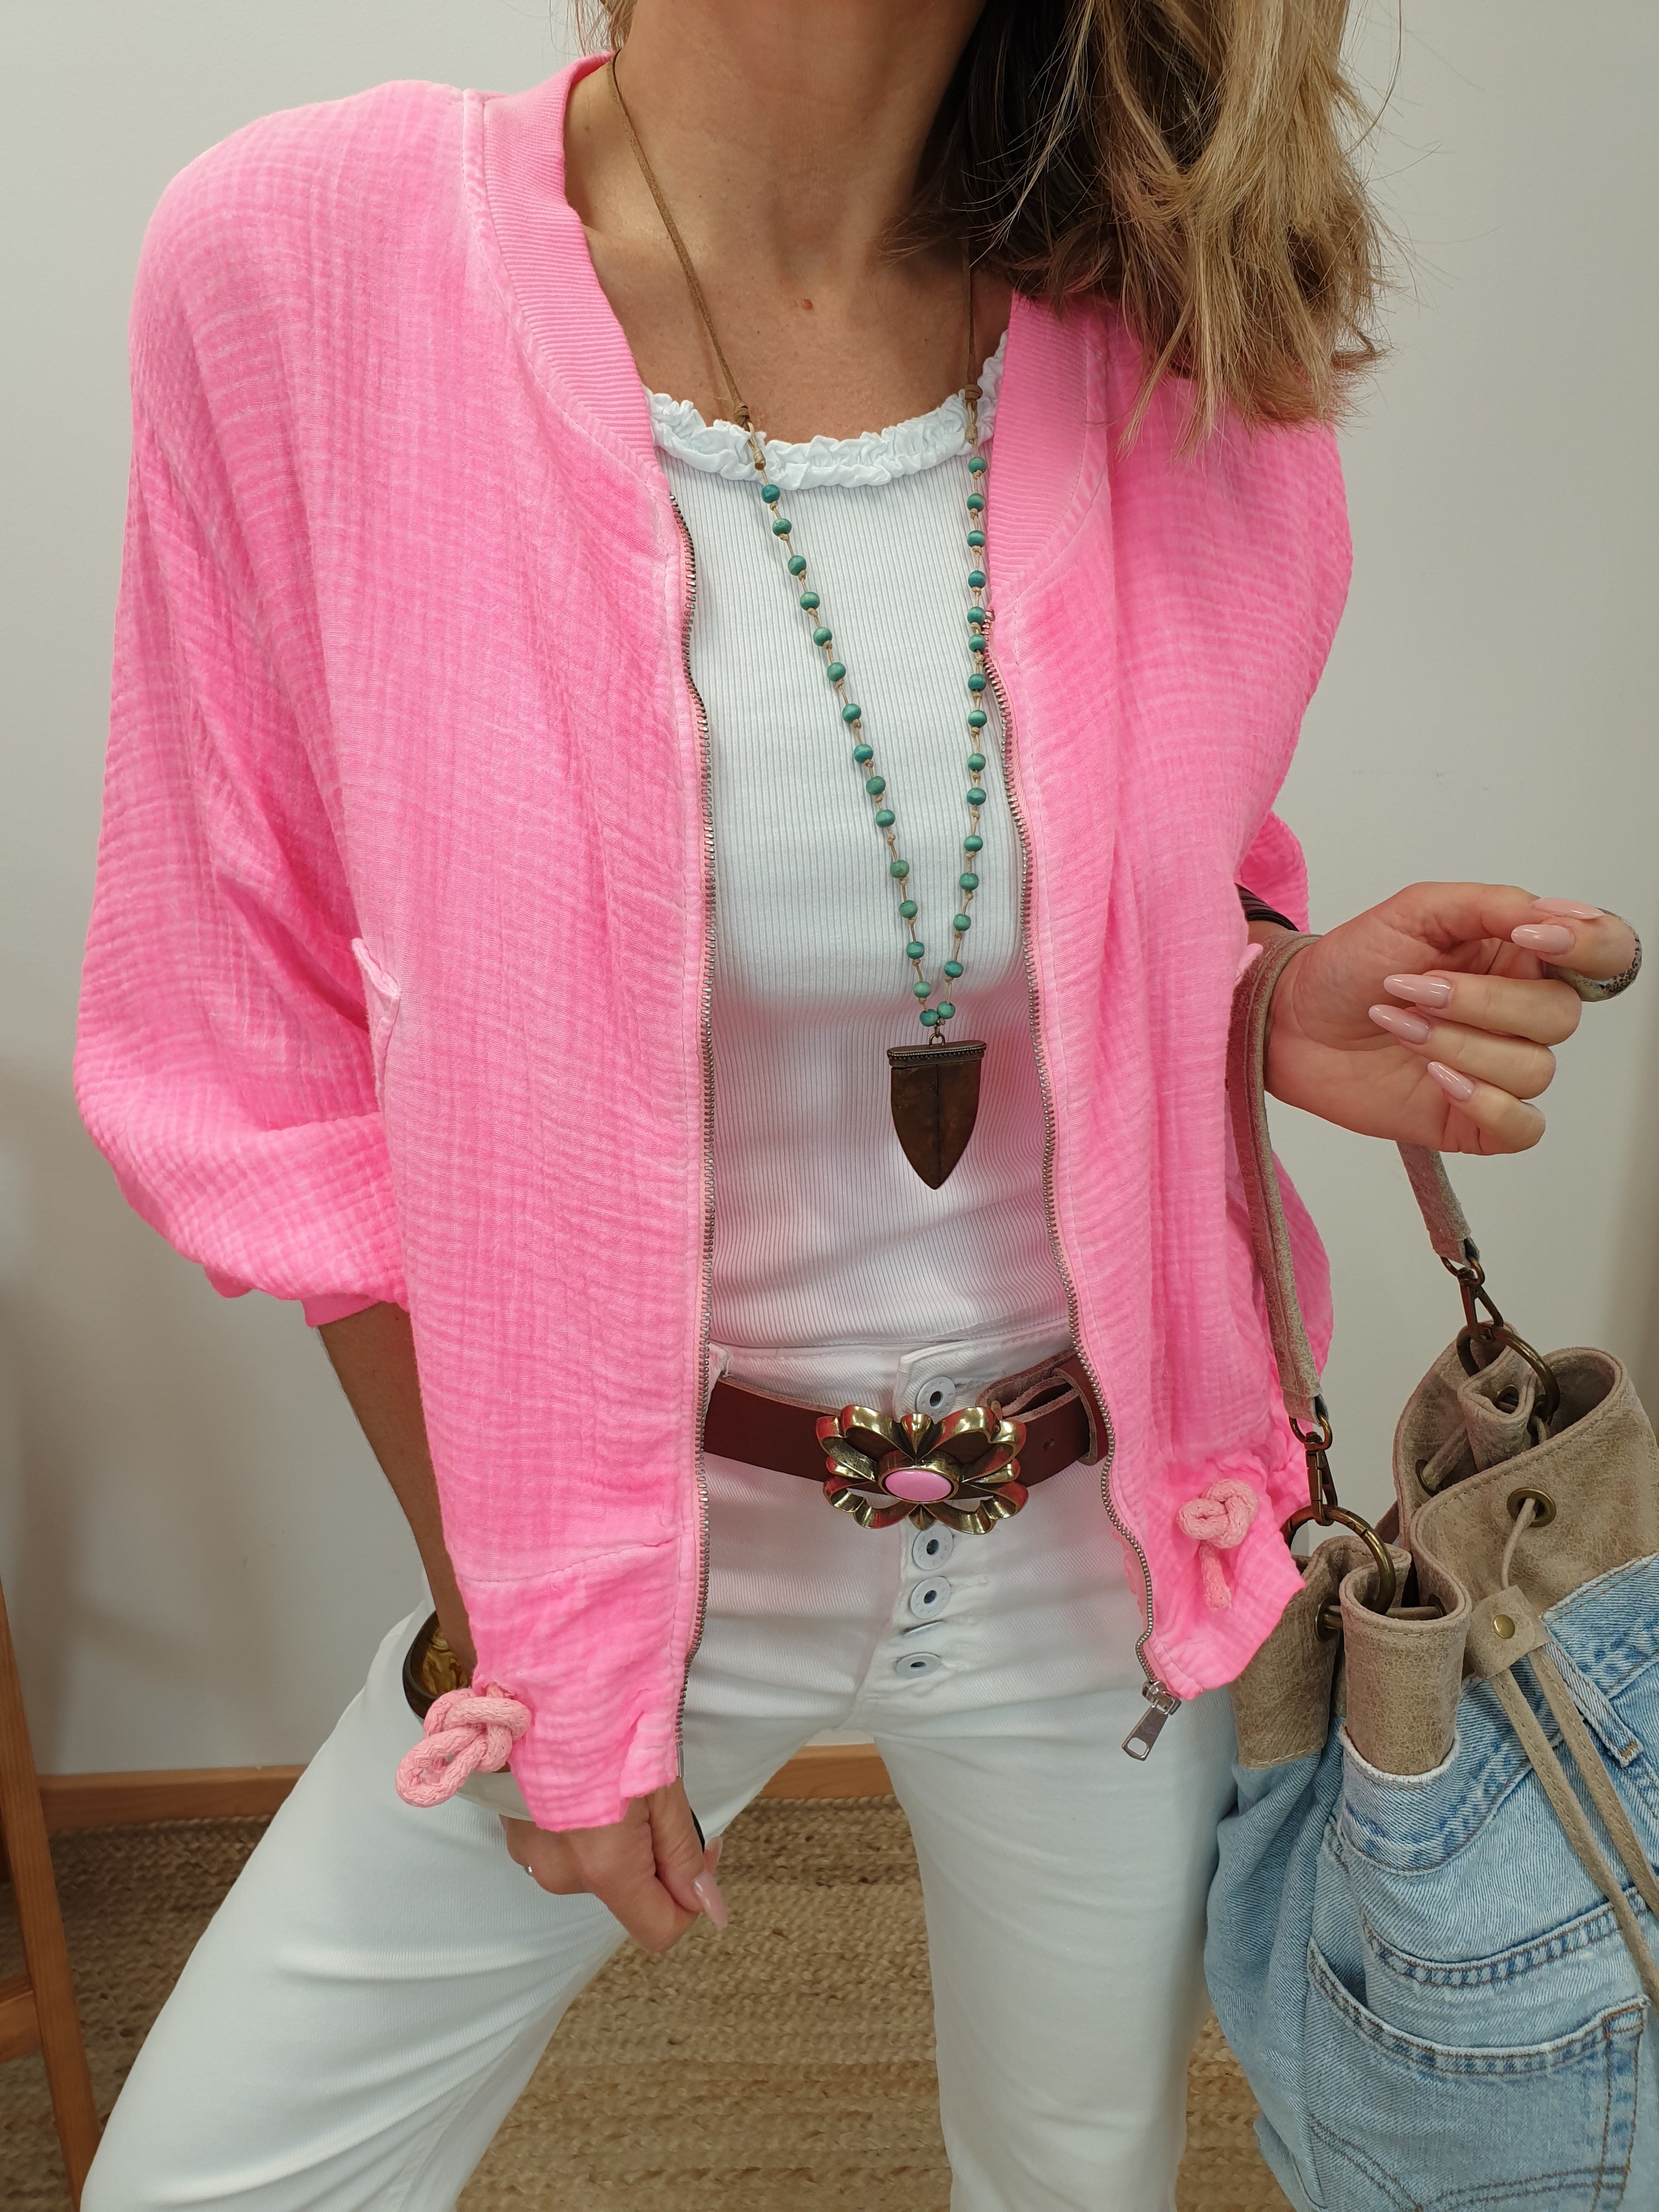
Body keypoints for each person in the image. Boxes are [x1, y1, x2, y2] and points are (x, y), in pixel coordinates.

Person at [71, 4, 1639, 2207]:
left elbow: (1157, 894)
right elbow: (262, 1047)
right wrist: (533, 1625)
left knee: (1075, 2174)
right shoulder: (307, 259)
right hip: (635, 1526)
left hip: (1104, 1533)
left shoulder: (1173, 315)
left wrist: (1269, 995)